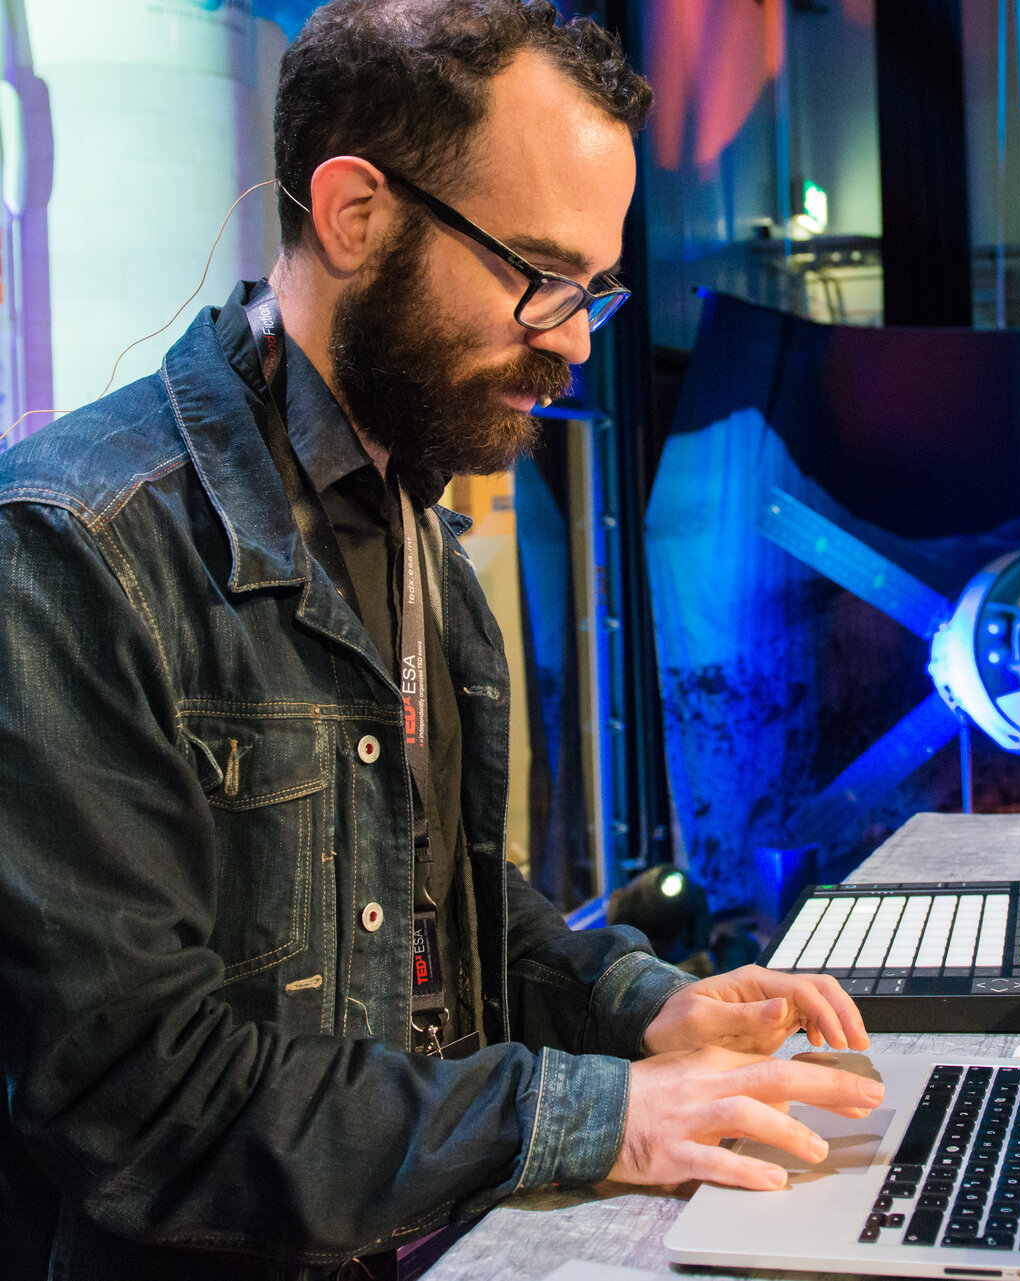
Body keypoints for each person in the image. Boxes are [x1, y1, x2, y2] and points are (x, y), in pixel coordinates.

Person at [0, 3, 879, 1276]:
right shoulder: (72, 548)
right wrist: (600, 1117)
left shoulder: (413, 522)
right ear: (356, 213)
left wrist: (644, 1011)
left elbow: (449, 913)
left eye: (596, 290)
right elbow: (146, 1099)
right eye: (540, 277)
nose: (574, 341)